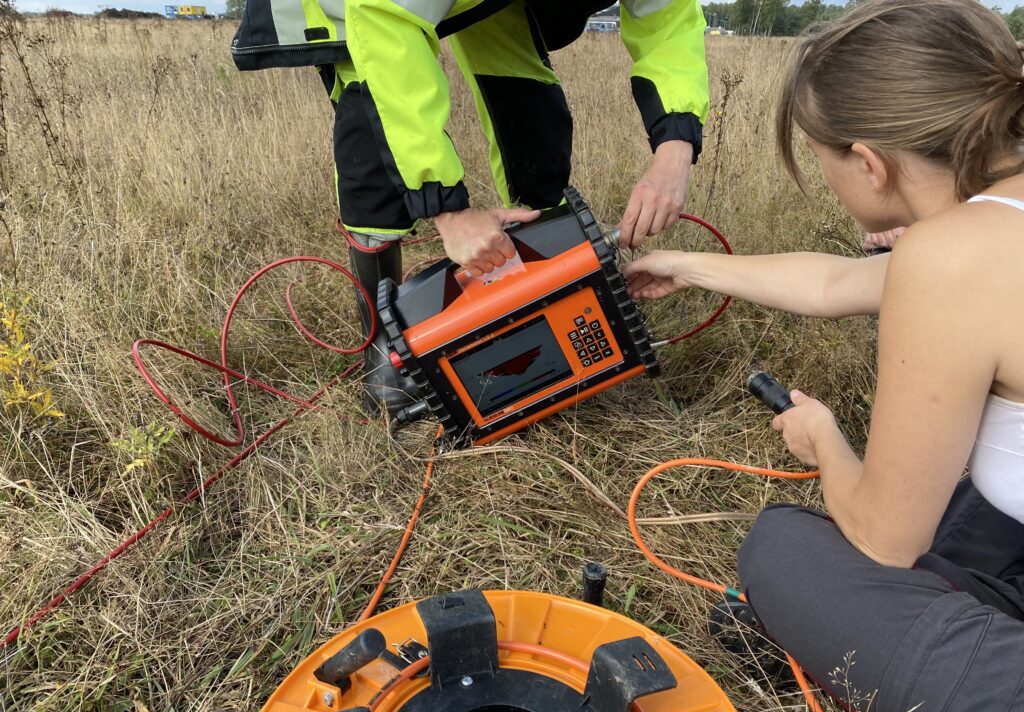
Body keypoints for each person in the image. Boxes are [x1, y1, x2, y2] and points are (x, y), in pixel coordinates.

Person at [622, 1, 1024, 712]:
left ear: (869, 161)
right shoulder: (995, 222)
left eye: (822, 158)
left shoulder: (951, 260)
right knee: (967, 508)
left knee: (783, 551)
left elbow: (882, 537)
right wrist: (688, 266)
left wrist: (825, 441)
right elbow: (842, 279)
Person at [231, 0, 710, 415]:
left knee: (527, 100)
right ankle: (384, 347)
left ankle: (552, 279)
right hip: (366, 11)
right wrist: (449, 213)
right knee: (369, 123)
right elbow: (383, 22)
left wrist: (675, 146)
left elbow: (669, 20)